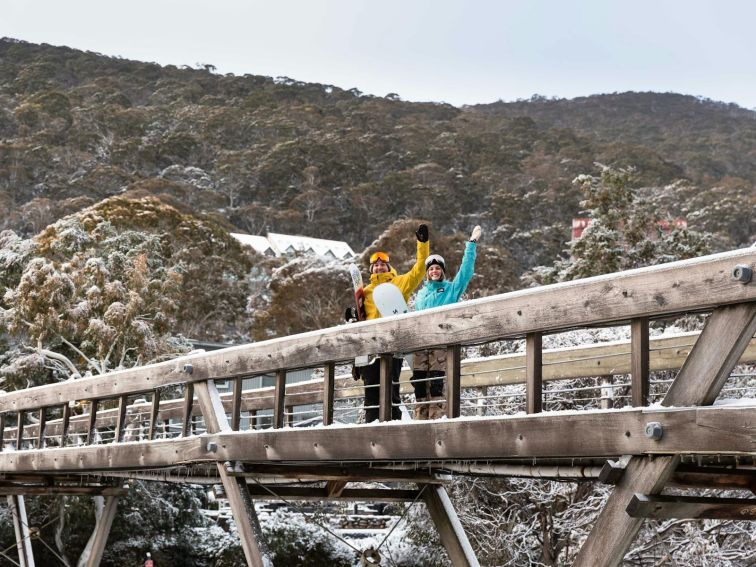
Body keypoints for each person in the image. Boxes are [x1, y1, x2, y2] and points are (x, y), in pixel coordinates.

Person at [355, 223, 429, 422]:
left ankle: (393, 426)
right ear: (372, 268)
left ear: (388, 266)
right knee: (371, 393)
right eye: (376, 265)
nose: (379, 266)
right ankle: (371, 431)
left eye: (383, 264)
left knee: (391, 390)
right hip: (370, 347)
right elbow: (361, 317)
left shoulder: (399, 283)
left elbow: (419, 270)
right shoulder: (366, 291)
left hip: (393, 345)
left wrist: (422, 244)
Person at [411, 226, 481, 419]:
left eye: (438, 268)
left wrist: (471, 245)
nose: (434, 271)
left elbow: (465, 273)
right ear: (427, 273)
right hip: (421, 343)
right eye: (431, 268)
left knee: (435, 382)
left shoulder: (451, 289)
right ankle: (419, 420)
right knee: (418, 382)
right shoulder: (421, 294)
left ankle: (436, 419)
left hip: (441, 341)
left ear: (442, 271)